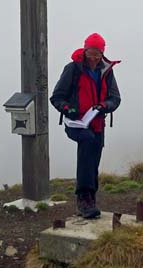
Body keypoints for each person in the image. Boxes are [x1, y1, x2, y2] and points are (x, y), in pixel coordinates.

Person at [50, 33, 121, 219]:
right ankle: (83, 198)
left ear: (102, 53)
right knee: (88, 144)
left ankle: (90, 198)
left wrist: (103, 106)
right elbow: (57, 96)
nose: (94, 57)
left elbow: (115, 98)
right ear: (85, 50)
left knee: (94, 154)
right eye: (91, 52)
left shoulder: (107, 71)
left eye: (97, 53)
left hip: (97, 122)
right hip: (75, 122)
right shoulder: (73, 69)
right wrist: (67, 108)